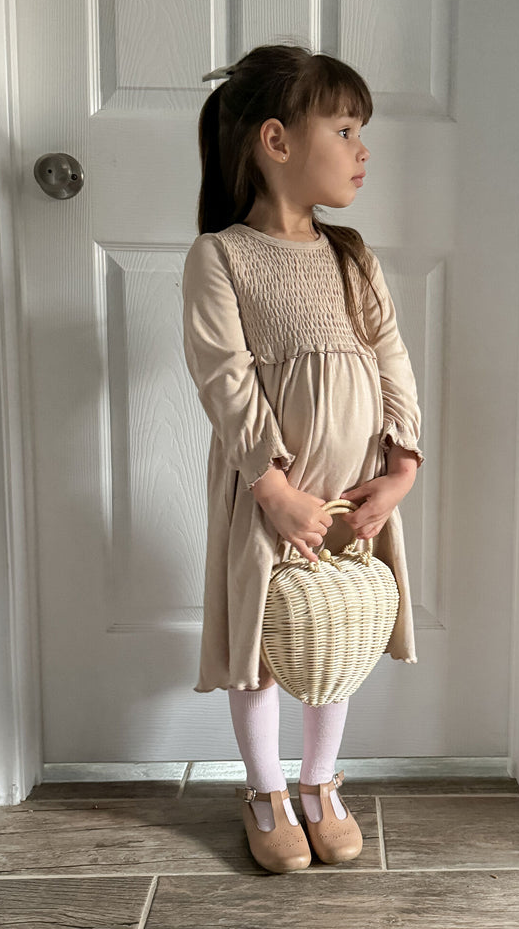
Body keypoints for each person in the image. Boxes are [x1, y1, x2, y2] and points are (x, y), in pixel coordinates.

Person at [181, 44, 424, 874]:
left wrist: (401, 469)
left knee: (339, 627)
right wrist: (272, 485)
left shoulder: (352, 254)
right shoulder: (221, 257)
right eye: (347, 128)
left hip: (353, 488)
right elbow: (226, 378)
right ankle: (264, 789)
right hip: (269, 490)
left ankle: (320, 783)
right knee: (265, 634)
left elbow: (391, 359)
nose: (364, 149)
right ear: (277, 142)